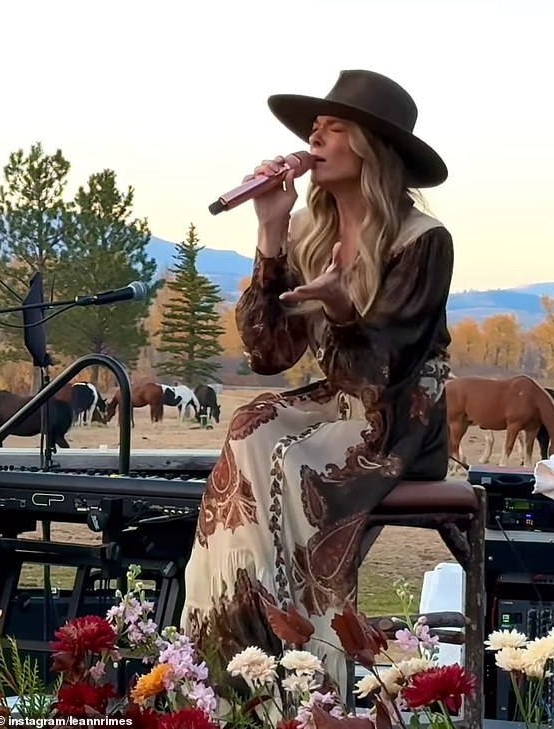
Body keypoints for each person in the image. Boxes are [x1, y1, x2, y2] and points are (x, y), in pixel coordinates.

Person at [182, 69, 454, 700]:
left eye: (333, 126)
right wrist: (271, 230)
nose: (314, 135)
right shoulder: (311, 229)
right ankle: (234, 645)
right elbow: (269, 353)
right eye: (315, 127)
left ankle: (308, 675)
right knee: (247, 424)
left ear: (370, 146)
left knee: (292, 460)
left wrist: (339, 310)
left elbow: (389, 367)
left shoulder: (423, 240)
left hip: (401, 412)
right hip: (339, 398)